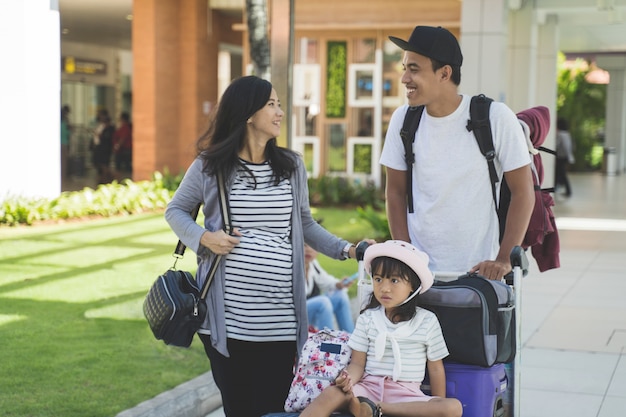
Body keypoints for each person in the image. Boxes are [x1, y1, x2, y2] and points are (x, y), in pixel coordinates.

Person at [164, 75, 369, 417]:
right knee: (241, 408)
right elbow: (176, 210)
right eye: (271, 104)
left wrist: (349, 250)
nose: (279, 112)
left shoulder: (290, 166)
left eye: (279, 104)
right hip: (228, 322)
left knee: (274, 408)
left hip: (281, 321)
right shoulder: (210, 166)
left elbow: (304, 223)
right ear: (247, 113)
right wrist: (204, 237)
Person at [380, 26, 535, 281]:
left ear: (444, 73)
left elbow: (522, 191)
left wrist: (504, 259)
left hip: (481, 276)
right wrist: (407, 256)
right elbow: (394, 192)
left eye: (414, 69)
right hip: (420, 278)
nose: (404, 78)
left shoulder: (495, 118)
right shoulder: (403, 120)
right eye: (405, 68)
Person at [300, 240, 463, 417]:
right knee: (332, 393)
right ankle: (365, 407)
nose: (384, 288)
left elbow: (436, 369)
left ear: (412, 287)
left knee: (452, 408)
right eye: (378, 279)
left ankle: (377, 409)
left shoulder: (427, 321)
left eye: (394, 280)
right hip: (367, 389)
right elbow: (357, 363)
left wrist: (436, 403)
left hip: (406, 394)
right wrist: (347, 379)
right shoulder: (367, 318)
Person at [305, 242, 356, 333]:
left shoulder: (313, 264)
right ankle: (327, 343)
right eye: (304, 245)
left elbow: (326, 281)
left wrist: (340, 284)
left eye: (312, 246)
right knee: (323, 302)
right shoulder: (291, 266)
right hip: (295, 314)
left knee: (340, 295)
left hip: (308, 312)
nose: (308, 249)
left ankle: (350, 340)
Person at [91, 109, 115, 184]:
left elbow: (106, 137)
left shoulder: (109, 128)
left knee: (104, 164)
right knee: (99, 164)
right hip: (98, 147)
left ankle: (107, 178)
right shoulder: (99, 125)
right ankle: (104, 177)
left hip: (105, 148)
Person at [555, 117, 575, 197]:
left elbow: (556, 144)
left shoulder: (560, 134)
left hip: (561, 157)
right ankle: (556, 187)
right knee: (559, 173)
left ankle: (568, 191)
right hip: (566, 157)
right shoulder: (567, 134)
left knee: (562, 174)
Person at [60, 105, 71, 179]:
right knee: (63, 161)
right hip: (64, 143)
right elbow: (67, 133)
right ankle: (63, 176)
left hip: (61, 142)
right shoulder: (65, 122)